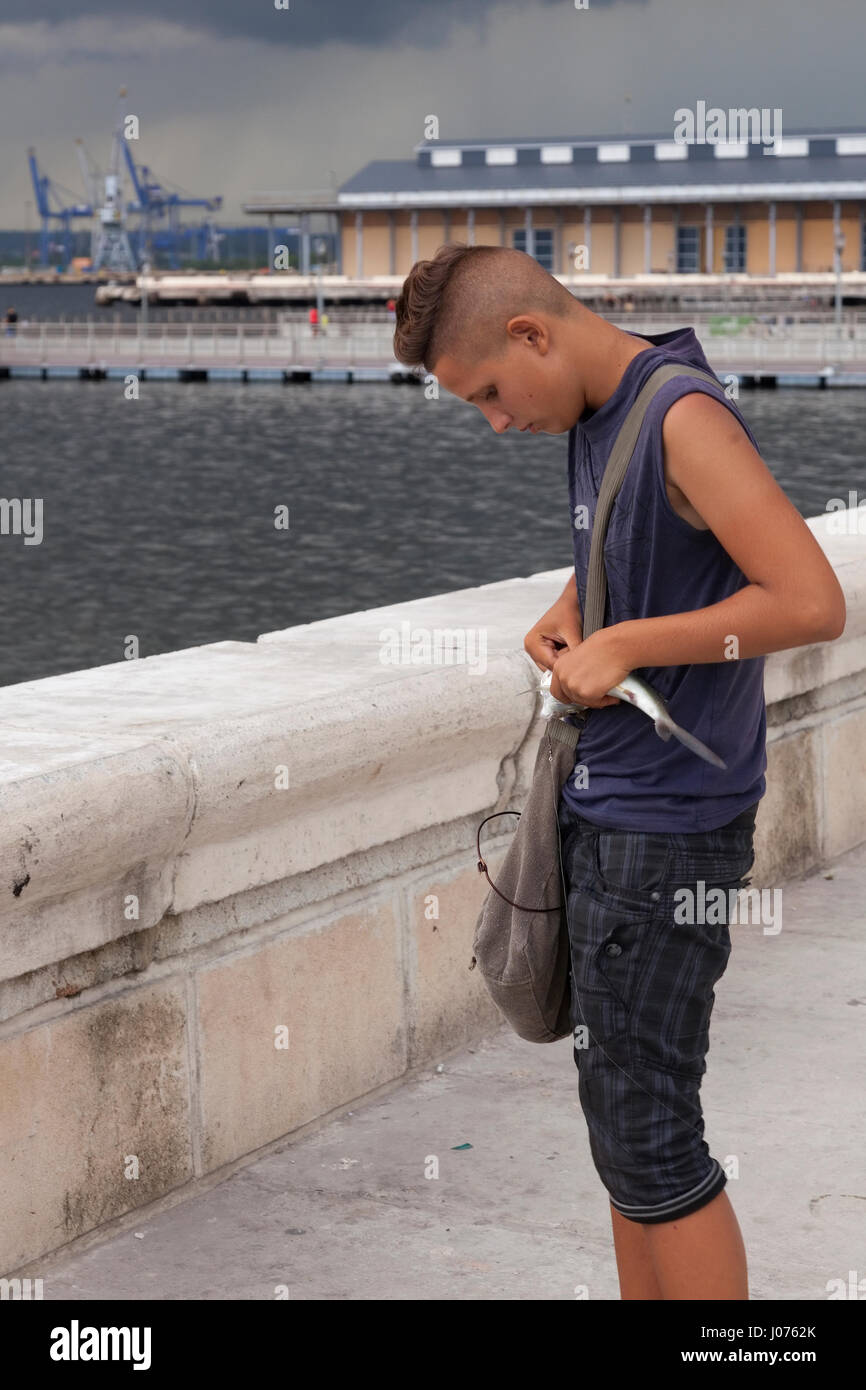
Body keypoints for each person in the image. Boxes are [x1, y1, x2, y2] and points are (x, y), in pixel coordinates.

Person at [391, 243, 846, 1301]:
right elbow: (655, 540)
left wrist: (629, 642)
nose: (497, 423)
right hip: (620, 811)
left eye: (493, 394)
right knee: (621, 1125)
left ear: (530, 333)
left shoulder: (679, 412)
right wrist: (571, 608)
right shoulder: (608, 407)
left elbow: (808, 600)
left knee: (651, 1137)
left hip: (665, 827)